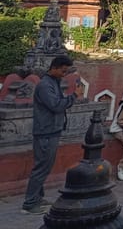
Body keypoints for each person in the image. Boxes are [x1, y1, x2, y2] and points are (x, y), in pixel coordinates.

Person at [22, 55, 84, 214]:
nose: (64, 74)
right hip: (45, 132)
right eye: (63, 71)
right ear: (54, 67)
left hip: (51, 130)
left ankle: (37, 197)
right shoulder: (45, 85)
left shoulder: (53, 83)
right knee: (41, 167)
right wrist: (74, 96)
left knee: (44, 166)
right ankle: (29, 203)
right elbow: (56, 105)